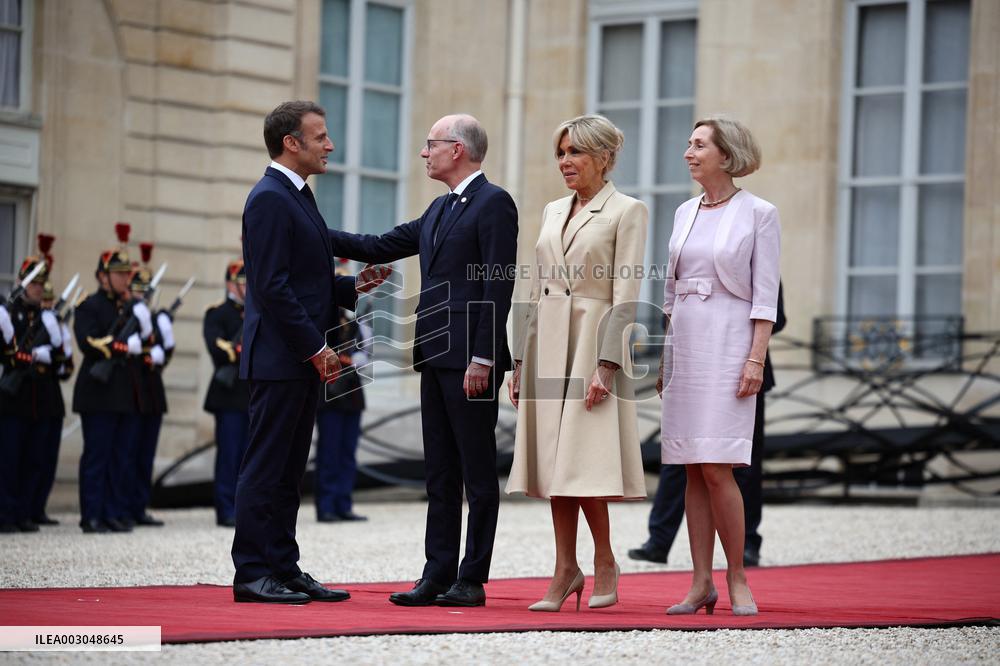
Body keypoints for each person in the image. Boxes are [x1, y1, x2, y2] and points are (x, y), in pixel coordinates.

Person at [329, 114, 518, 608]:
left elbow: (498, 283)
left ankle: (471, 577)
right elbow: (377, 246)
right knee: (439, 472)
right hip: (434, 355)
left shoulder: (495, 203)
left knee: (477, 472)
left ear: (457, 149)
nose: (423, 152)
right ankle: (436, 574)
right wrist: (313, 230)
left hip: (471, 359)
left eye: (430, 144)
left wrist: (485, 356)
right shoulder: (437, 210)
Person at [232, 100, 387, 605]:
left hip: (294, 360)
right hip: (282, 359)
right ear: (290, 143)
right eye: (320, 136)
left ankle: (283, 567)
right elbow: (272, 287)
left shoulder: (296, 195)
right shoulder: (270, 198)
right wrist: (318, 347)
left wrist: (353, 286)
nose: (330, 145)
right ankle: (253, 572)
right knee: (267, 467)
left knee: (290, 469)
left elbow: (306, 276)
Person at [506, 114, 648, 612]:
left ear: (604, 157)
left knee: (581, 462)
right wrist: (518, 361)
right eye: (561, 153)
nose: (565, 162)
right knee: (552, 464)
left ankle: (604, 559)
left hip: (591, 342)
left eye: (576, 153)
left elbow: (626, 295)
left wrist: (608, 364)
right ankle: (565, 568)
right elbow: (532, 284)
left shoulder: (628, 211)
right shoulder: (550, 210)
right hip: (546, 340)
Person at [658, 117, 780, 617]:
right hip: (686, 340)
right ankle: (700, 582)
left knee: (717, 465)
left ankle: (737, 578)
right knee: (691, 466)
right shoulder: (684, 211)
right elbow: (669, 292)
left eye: (699, 145)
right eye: (688, 143)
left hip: (730, 342)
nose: (688, 152)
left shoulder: (761, 213)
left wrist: (755, 359)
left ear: (726, 156)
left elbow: (766, 296)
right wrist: (666, 360)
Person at [629, 285, 785, 566]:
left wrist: (739, 344)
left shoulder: (752, 252)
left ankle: (748, 543)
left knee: (743, 462)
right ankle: (659, 540)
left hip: (742, 369)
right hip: (695, 362)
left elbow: (776, 315)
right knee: (680, 455)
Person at [72, 224, 146, 534]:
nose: (124, 278)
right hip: (98, 391)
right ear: (103, 276)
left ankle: (113, 512)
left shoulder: (130, 307)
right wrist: (118, 345)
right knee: (97, 456)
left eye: (126, 274)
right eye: (118, 274)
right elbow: (86, 341)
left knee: (121, 457)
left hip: (123, 393)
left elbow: (145, 341)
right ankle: (91, 514)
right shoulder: (89, 305)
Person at [0, 241, 66, 533]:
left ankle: (24, 512)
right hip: (13, 397)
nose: (39, 289)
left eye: (42, 284)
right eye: (34, 283)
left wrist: (52, 348)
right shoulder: (9, 312)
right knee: (9, 459)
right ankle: (5, 513)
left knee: (32, 459)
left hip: (37, 398)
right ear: (22, 283)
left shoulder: (44, 317)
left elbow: (60, 359)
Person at [314, 301, 372, 523]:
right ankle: (326, 505)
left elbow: (363, 351)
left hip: (352, 393)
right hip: (331, 391)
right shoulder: (321, 318)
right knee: (329, 452)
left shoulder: (353, 323)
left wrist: (359, 357)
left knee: (347, 452)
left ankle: (343, 503)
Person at [126, 243, 170, 528]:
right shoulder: (128, 314)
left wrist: (163, 348)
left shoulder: (152, 316)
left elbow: (163, 351)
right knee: (126, 454)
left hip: (150, 392)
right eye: (138, 289)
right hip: (129, 392)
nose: (143, 294)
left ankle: (138, 506)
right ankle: (121, 507)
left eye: (146, 290)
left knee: (144, 455)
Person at [203, 259, 250, 528]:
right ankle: (225, 508)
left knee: (247, 457)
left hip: (251, 394)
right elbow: (218, 351)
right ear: (230, 284)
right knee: (229, 454)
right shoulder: (218, 314)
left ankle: (243, 510)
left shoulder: (258, 311)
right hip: (229, 394)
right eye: (243, 283)